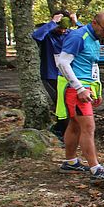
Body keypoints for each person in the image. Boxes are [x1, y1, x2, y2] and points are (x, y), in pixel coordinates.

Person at [55, 12, 104, 182]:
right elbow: (62, 63)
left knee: (75, 125)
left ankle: (70, 162)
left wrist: (96, 89)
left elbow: (92, 64)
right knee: (88, 127)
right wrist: (79, 88)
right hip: (76, 90)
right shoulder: (78, 36)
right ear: (95, 23)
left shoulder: (95, 38)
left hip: (86, 88)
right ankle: (95, 169)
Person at [32, 10, 78, 141]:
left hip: (68, 75)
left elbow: (88, 36)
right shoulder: (48, 34)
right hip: (51, 75)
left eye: (65, 28)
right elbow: (36, 36)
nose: (62, 31)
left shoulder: (70, 34)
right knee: (60, 104)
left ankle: (60, 129)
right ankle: (63, 132)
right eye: (60, 27)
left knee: (68, 104)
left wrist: (77, 23)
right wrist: (52, 22)